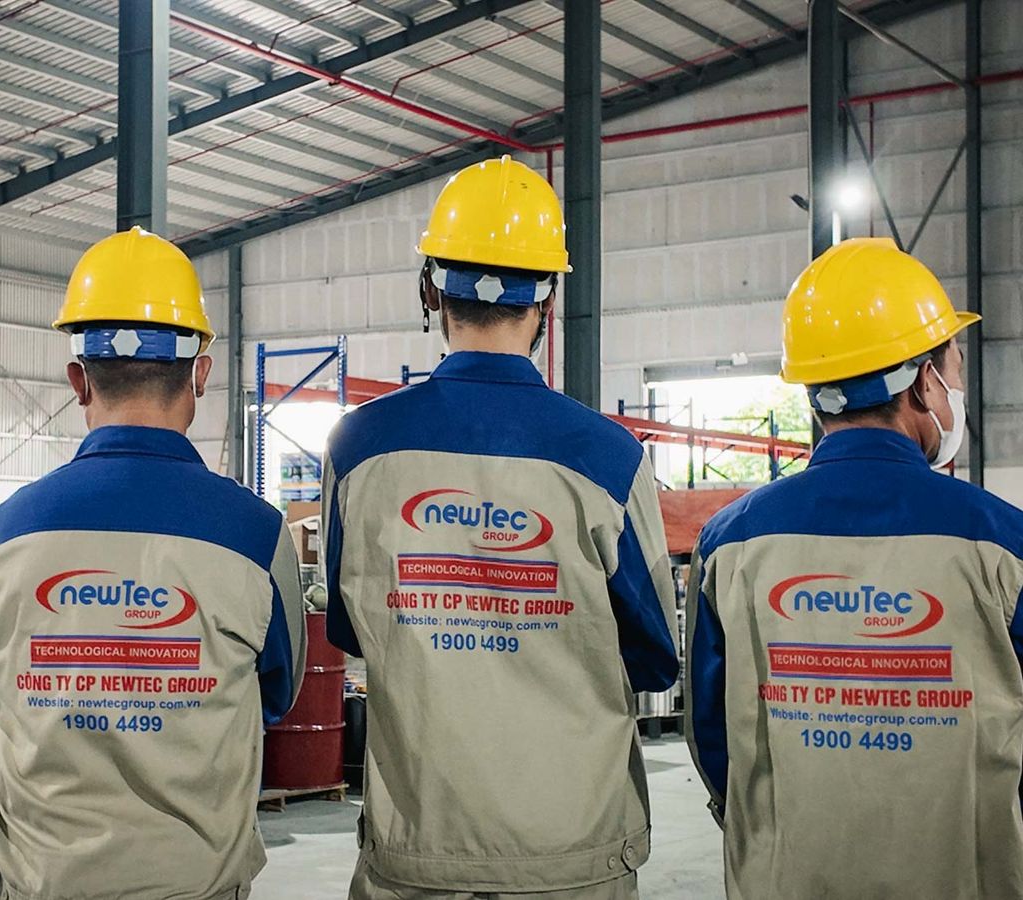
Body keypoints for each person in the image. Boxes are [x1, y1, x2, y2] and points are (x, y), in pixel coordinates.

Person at [321, 156, 680, 900]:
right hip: (570, 855)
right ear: (548, 296)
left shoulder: (358, 448)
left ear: (430, 288)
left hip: (417, 846)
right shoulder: (608, 457)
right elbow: (653, 658)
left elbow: (357, 630)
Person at [0, 226, 306, 900]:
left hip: (42, 883)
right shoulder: (256, 534)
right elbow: (277, 696)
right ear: (200, 372)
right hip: (194, 885)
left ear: (77, 380)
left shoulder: (9, 530)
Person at [686, 237, 1023, 899]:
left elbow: (713, 735)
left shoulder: (730, 544)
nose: (956, 381)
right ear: (925, 381)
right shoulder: (1004, 544)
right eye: (953, 363)